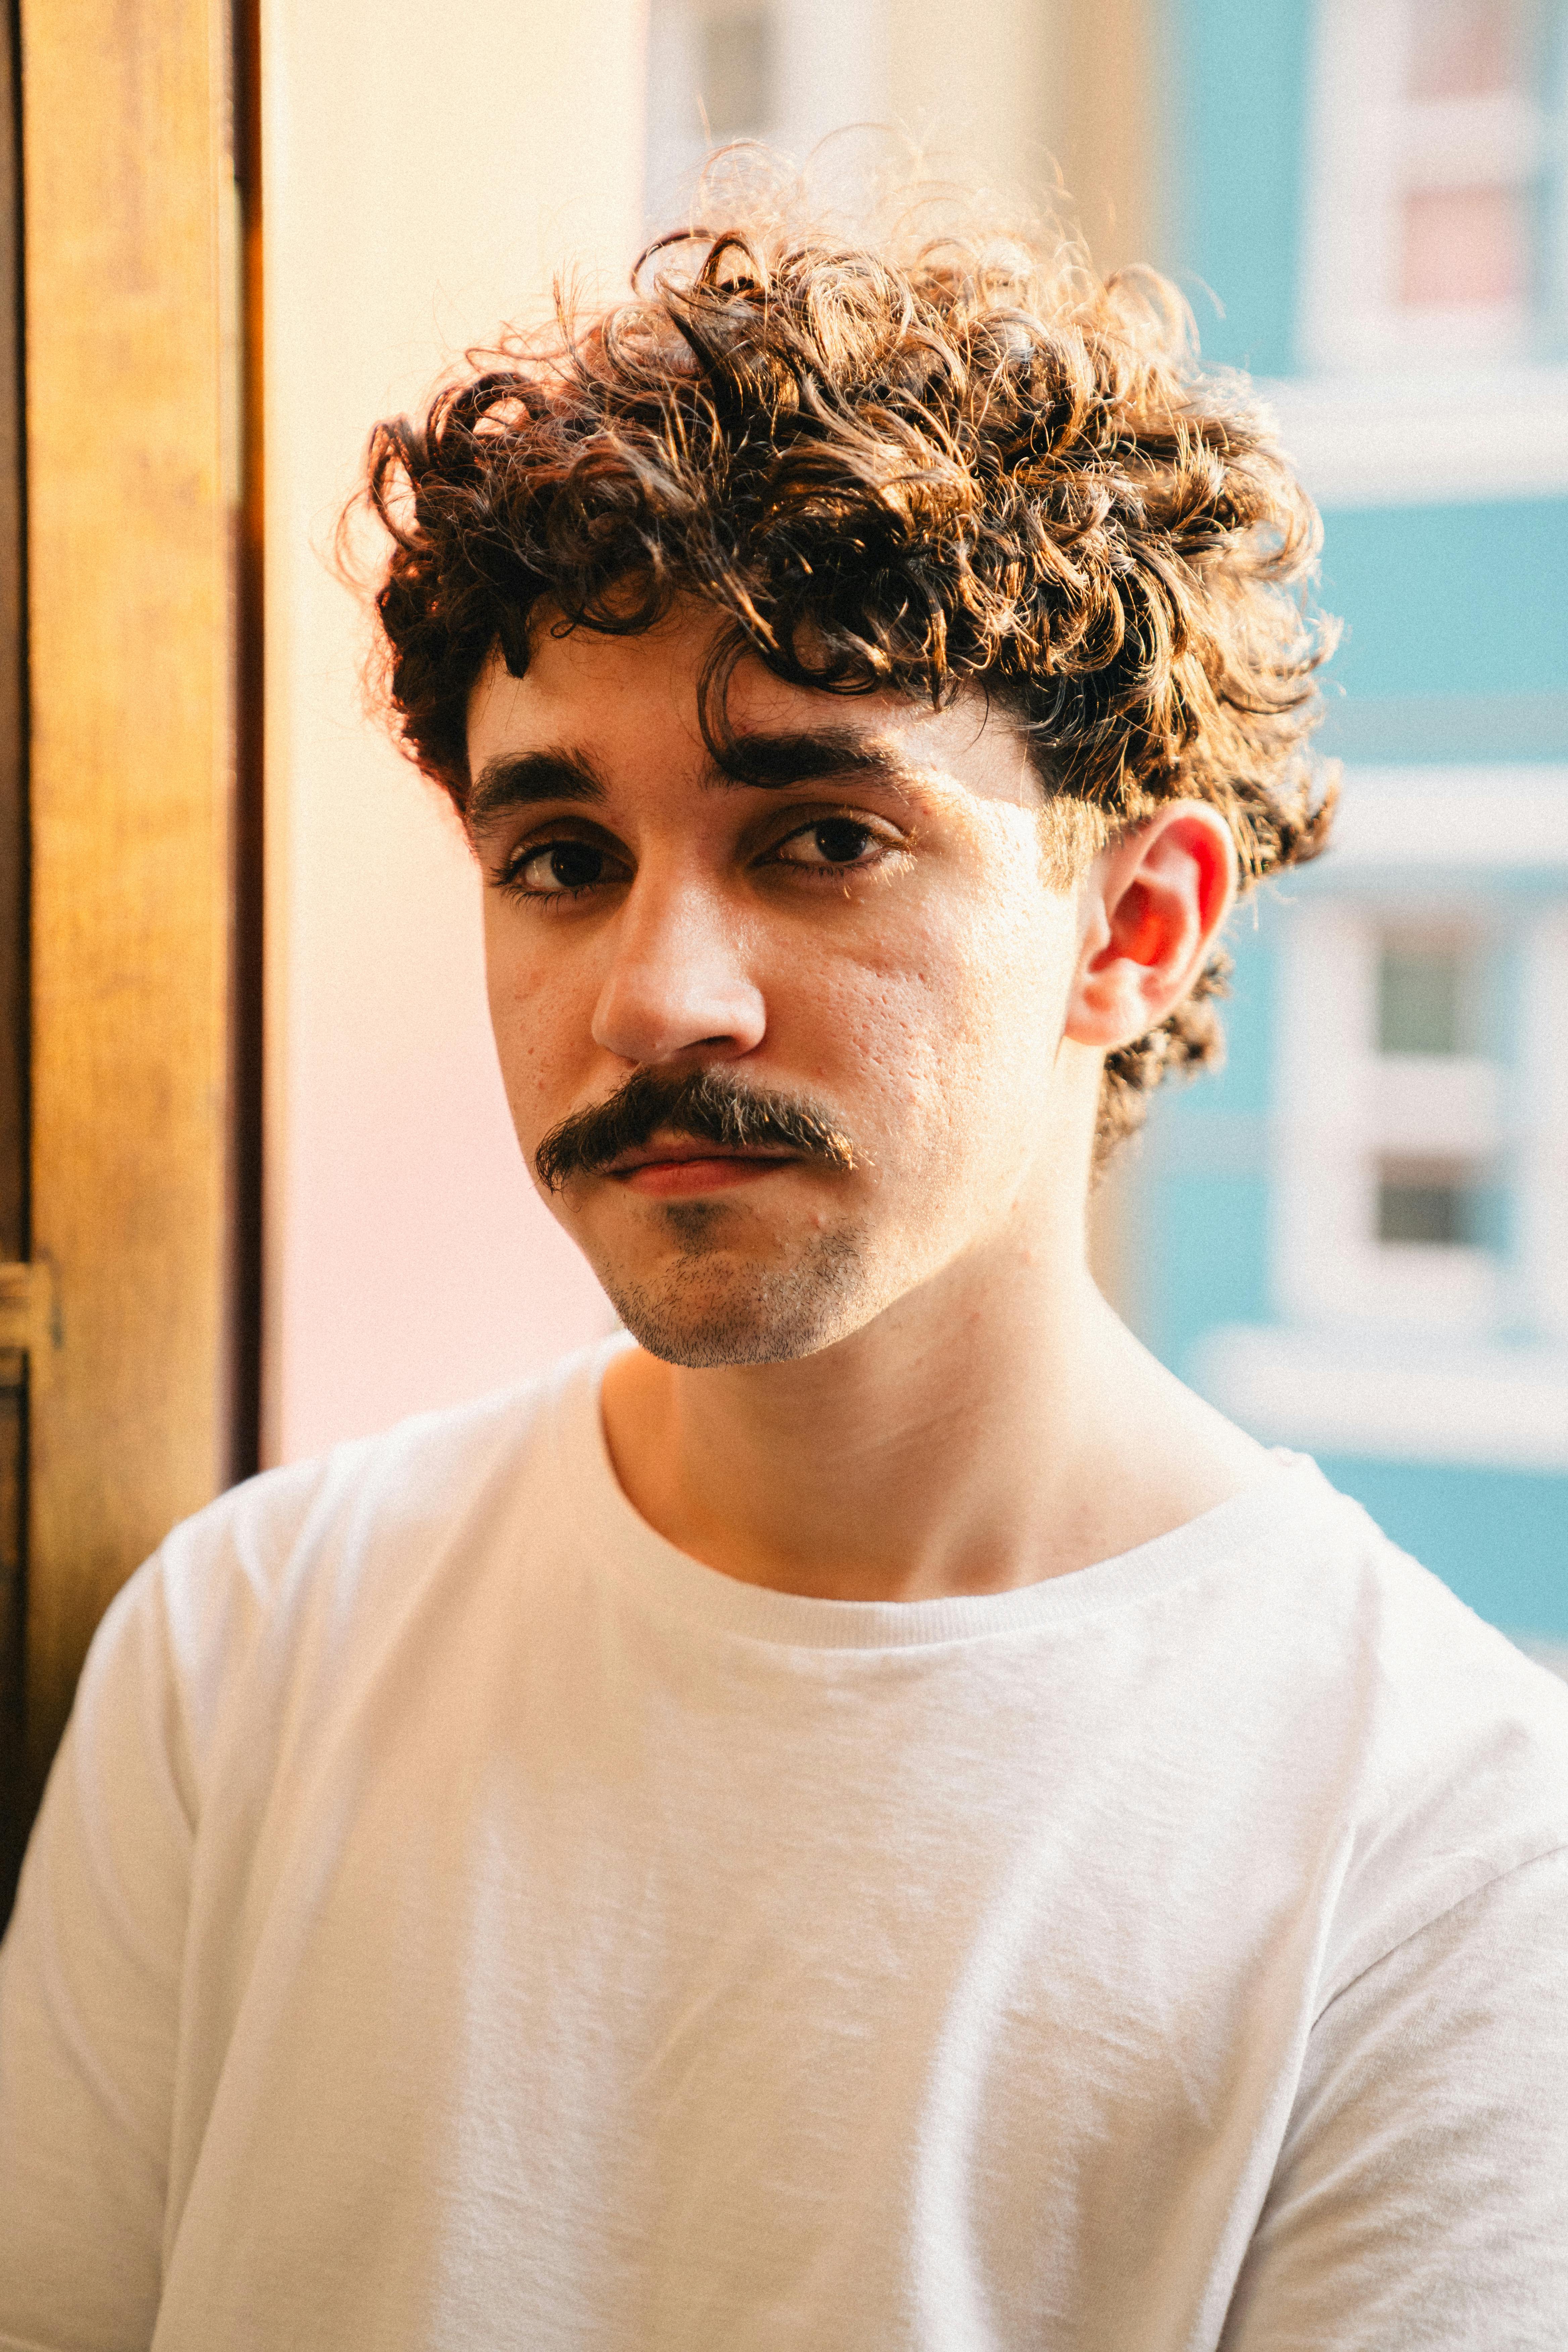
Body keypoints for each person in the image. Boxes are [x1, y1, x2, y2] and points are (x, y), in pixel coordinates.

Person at [2, 199, 1566, 2351]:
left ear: (1134, 927)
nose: (658, 998)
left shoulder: (1454, 1855)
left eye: (818, 836)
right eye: (561, 861)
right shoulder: (253, 1644)